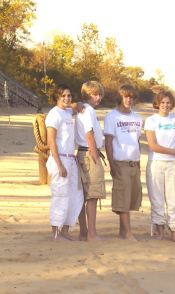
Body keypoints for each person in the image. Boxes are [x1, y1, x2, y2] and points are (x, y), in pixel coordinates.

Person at [145, 90, 175, 243]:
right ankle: (160, 232)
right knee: (157, 199)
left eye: (168, 102)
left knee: (173, 199)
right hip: (156, 163)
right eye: (162, 102)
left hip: (172, 165)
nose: (165, 105)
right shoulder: (151, 120)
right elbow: (153, 146)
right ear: (157, 103)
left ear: (172, 104)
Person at [45, 83, 84, 241]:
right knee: (60, 195)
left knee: (75, 195)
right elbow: (51, 141)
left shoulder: (68, 112)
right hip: (58, 159)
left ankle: (66, 230)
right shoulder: (54, 114)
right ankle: (56, 232)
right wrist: (59, 164)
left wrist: (81, 103)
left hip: (71, 159)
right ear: (57, 97)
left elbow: (76, 107)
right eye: (63, 96)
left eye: (69, 95)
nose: (67, 98)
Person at [104, 85, 143, 241]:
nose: (129, 100)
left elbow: (137, 141)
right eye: (126, 97)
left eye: (132, 97)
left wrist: (139, 163)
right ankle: (128, 233)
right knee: (122, 198)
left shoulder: (137, 118)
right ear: (120, 98)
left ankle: (122, 231)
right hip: (120, 163)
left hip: (134, 163)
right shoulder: (112, 117)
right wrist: (112, 164)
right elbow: (108, 141)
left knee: (131, 199)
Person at [75, 81, 108, 241]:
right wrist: (96, 158)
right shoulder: (89, 111)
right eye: (96, 94)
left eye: (100, 94)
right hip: (88, 153)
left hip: (81, 153)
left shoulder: (82, 110)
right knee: (92, 195)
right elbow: (90, 136)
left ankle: (84, 231)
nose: (99, 97)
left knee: (84, 194)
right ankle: (91, 234)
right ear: (88, 95)